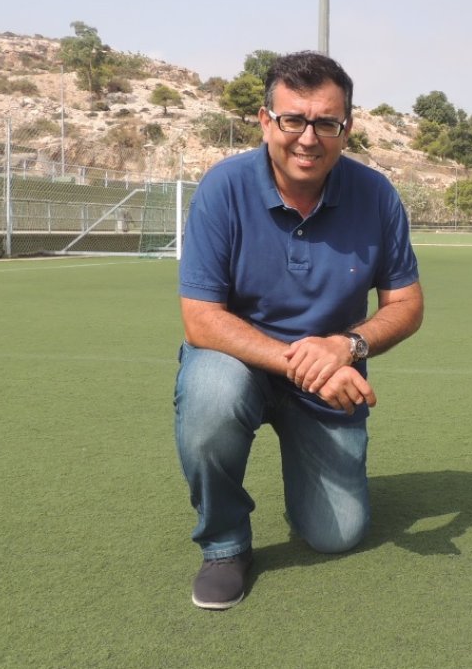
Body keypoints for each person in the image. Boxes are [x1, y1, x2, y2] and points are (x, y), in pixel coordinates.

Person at [173, 51, 424, 610]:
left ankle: (305, 477)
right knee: (212, 393)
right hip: (240, 361)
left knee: (338, 534)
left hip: (330, 371)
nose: (308, 138)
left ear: (346, 128)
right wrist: (300, 363)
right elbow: (201, 318)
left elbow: (406, 304)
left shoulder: (377, 195)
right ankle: (225, 545)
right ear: (266, 121)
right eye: (293, 120)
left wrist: (347, 346)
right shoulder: (223, 188)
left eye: (326, 123)